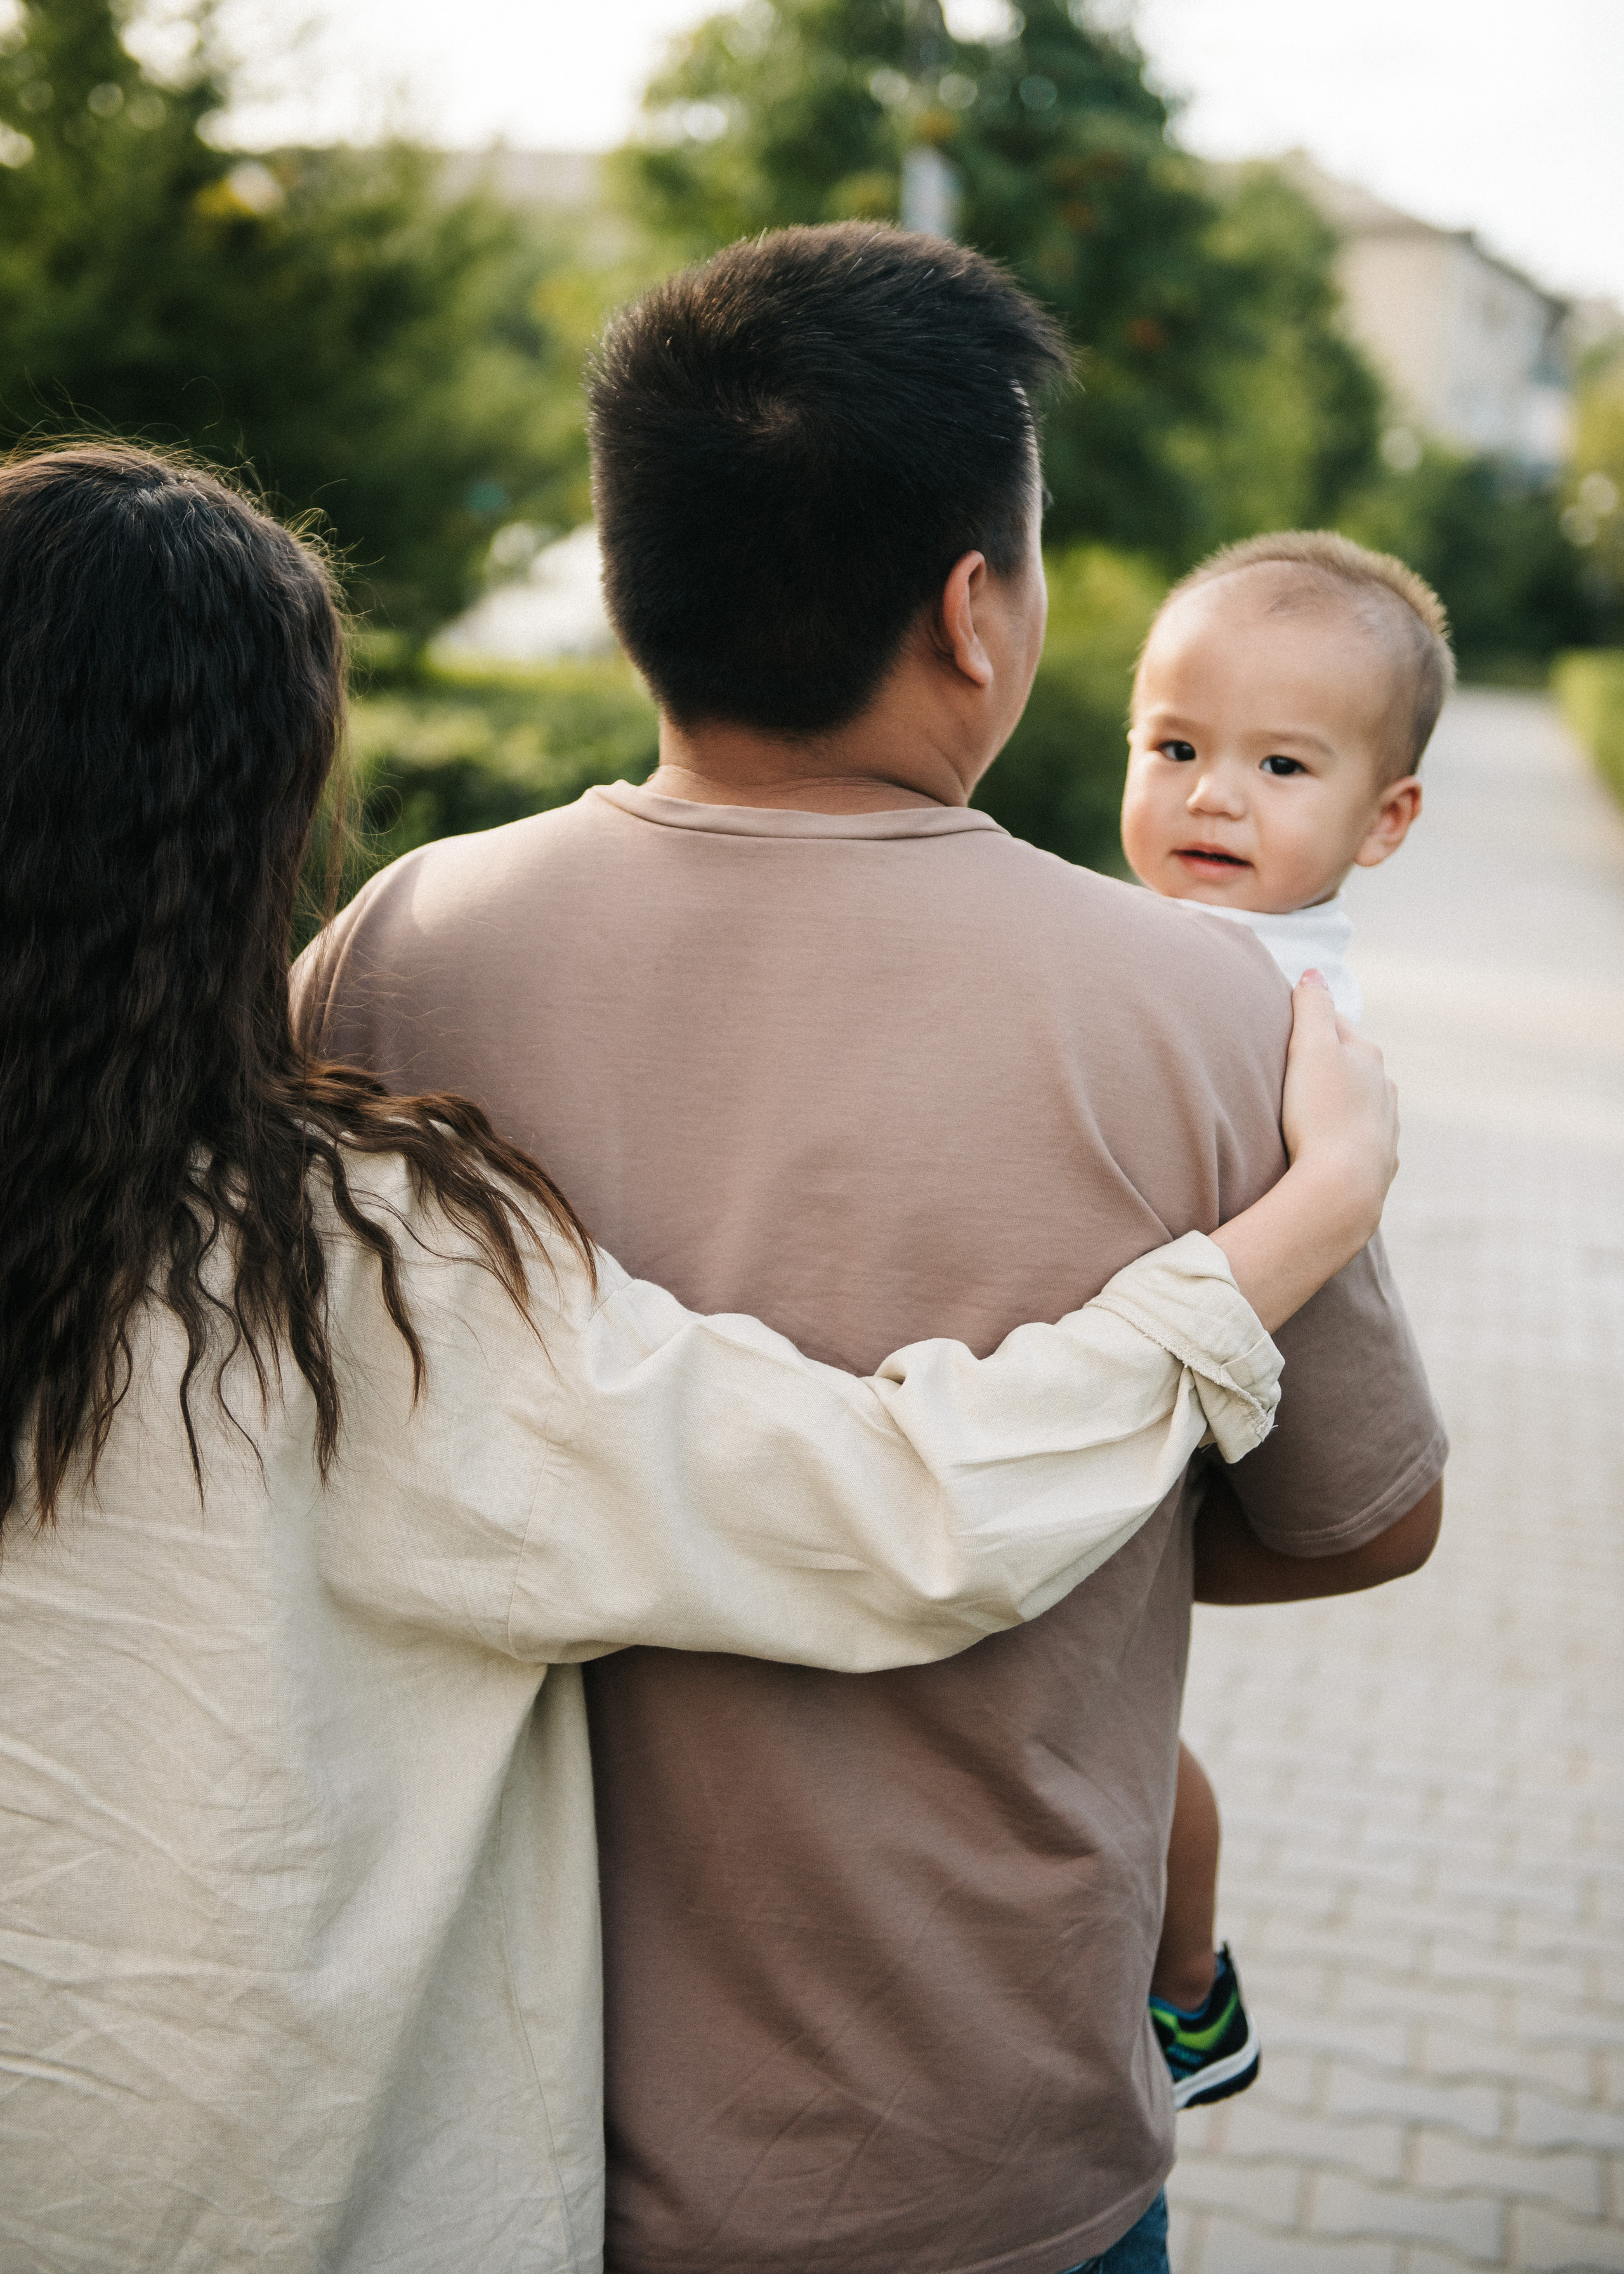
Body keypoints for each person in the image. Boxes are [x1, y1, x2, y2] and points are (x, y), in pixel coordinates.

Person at [0, 444, 1402, 2274]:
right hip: (277, 2177)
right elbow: (918, 1512)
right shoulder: (339, 1264)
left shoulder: (398, 962)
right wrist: (1314, 1210)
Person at [296, 225, 1448, 2274]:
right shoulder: (1206, 1014)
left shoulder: (397, 952)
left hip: (493, 2129)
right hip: (975, 2130)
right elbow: (1363, 1513)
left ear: (636, 583)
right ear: (977, 611)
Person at [1121, 528, 1453, 2107]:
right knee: (1121, 1733)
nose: (1209, 796)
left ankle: (1188, 1986)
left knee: (1127, 1743)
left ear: (1381, 823)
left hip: (1191, 1407)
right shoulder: (1173, 938)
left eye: (1276, 765)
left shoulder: (1289, 999)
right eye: (1173, 746)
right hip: (1124, 1387)